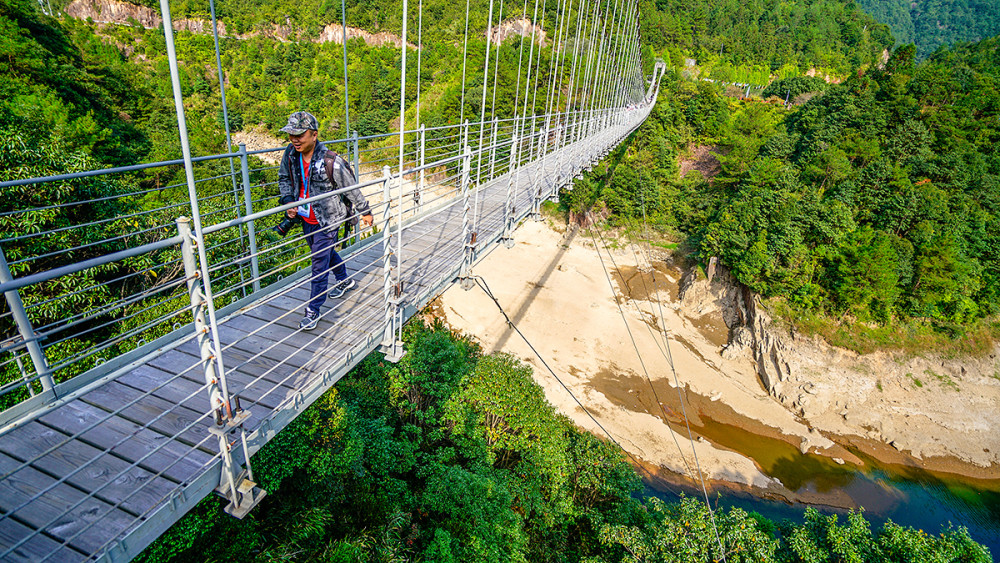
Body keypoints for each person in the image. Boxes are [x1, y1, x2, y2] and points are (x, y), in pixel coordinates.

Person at [278, 111, 374, 331]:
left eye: (299, 134)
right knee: (325, 254)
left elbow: (351, 188)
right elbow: (284, 179)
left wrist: (365, 211)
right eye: (291, 134)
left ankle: (313, 310)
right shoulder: (290, 155)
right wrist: (289, 201)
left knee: (318, 264)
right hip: (305, 216)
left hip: (329, 219)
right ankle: (344, 279)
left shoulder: (331, 160)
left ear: (314, 134)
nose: (294, 139)